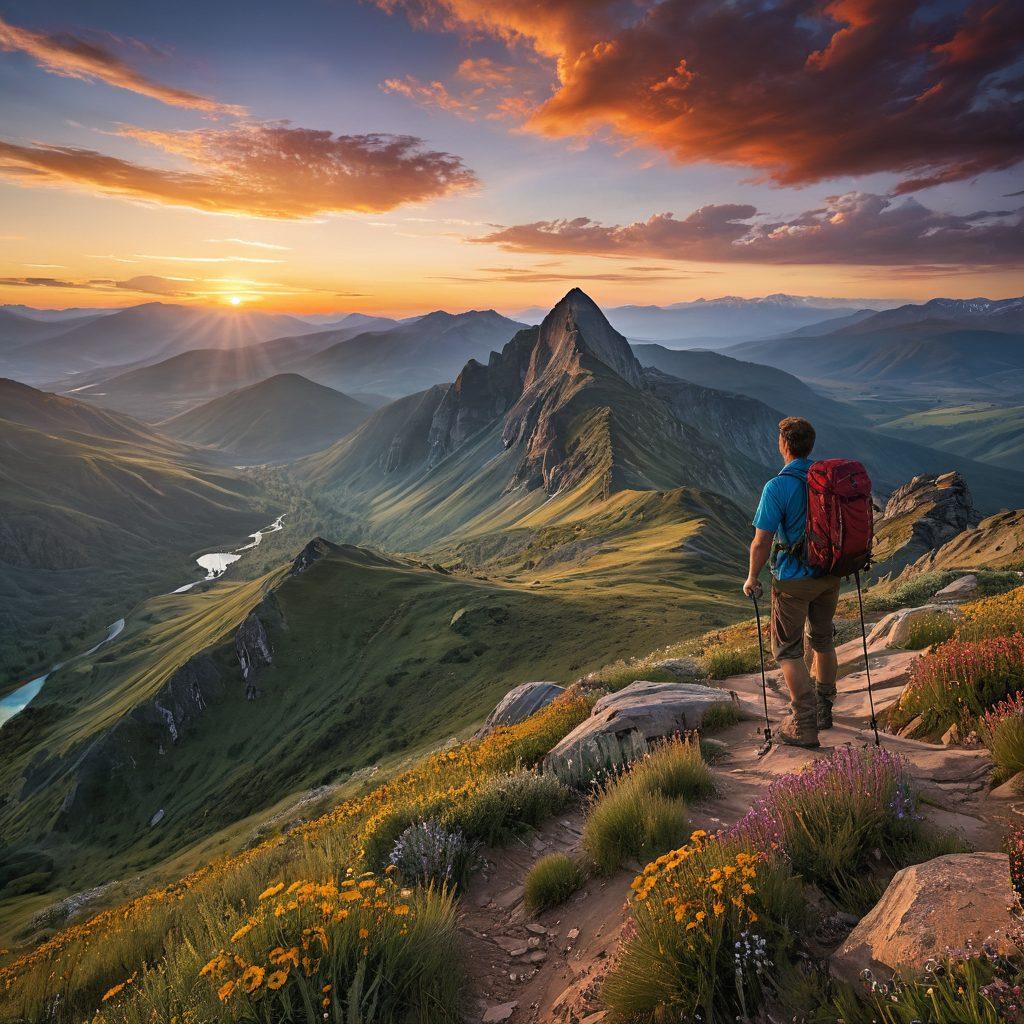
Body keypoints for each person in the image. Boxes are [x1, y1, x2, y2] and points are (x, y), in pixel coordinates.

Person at [743, 417, 839, 748]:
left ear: (784, 445)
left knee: (787, 649)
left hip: (793, 580)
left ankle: (804, 722)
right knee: (823, 640)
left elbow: (762, 541)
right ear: (810, 445)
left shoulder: (777, 487)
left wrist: (753, 577)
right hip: (829, 574)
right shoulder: (827, 479)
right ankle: (825, 709)